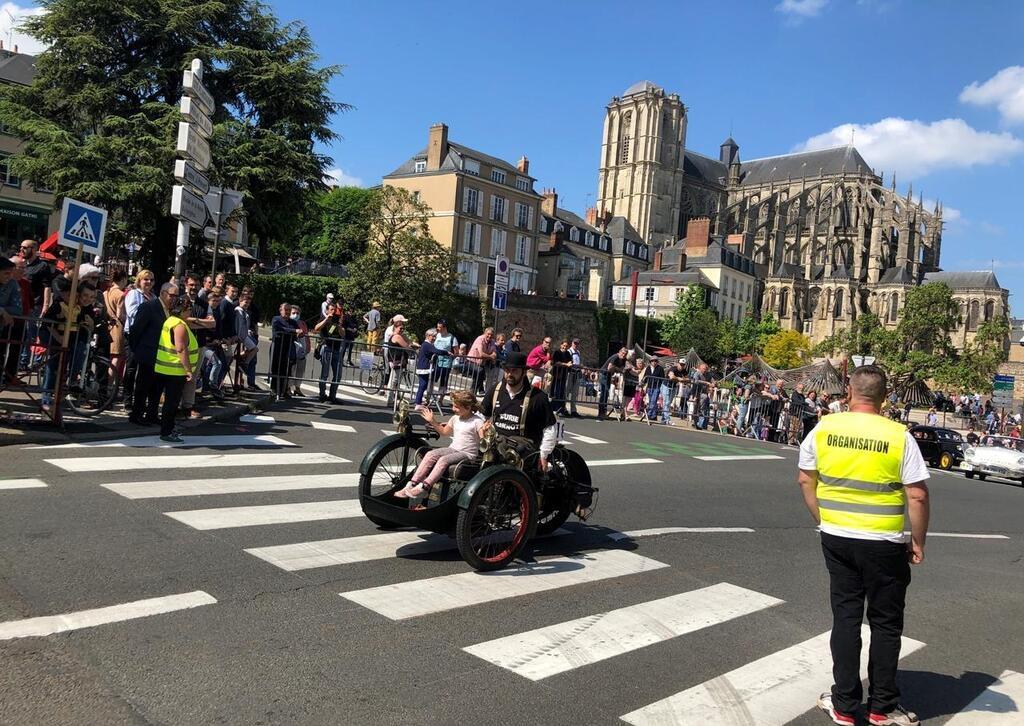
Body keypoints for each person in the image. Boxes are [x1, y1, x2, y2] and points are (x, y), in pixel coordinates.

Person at [798, 365, 929, 726]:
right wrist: (917, 540)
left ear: (849, 394)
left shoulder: (825, 428)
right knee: (885, 624)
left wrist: (822, 519)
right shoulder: (899, 436)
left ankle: (843, 705)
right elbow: (916, 495)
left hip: (837, 536)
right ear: (884, 398)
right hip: (884, 541)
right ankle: (881, 707)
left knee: (846, 618)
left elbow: (804, 479)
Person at [397, 390, 485, 500]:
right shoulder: (455, 418)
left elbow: (483, 440)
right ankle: (412, 484)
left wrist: (485, 431)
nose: (453, 409)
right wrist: (433, 421)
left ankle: (424, 488)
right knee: (430, 454)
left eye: (457, 407)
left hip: (468, 454)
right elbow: (444, 432)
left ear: (468, 407)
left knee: (443, 460)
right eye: (453, 405)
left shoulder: (477, 421)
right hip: (453, 448)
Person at [39, 282, 97, 410]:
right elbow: (48, 323)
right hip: (54, 336)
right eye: (84, 296)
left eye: (92, 297)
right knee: (53, 363)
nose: (87, 299)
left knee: (77, 353)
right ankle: (47, 398)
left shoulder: (85, 308)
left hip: (72, 339)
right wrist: (58, 336)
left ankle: (69, 382)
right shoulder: (59, 304)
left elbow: (90, 327)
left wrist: (91, 323)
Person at [153, 294, 200, 443]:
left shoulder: (170, 321)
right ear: (183, 310)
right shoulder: (179, 325)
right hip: (175, 370)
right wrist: (188, 370)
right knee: (171, 404)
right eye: (189, 309)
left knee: (165, 402)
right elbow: (180, 348)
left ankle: (166, 429)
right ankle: (167, 432)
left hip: (163, 367)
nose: (190, 312)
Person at [128, 281, 174, 425]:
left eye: (176, 296)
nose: (174, 299)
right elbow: (136, 330)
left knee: (157, 388)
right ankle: (137, 414)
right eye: (172, 295)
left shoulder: (170, 310)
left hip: (162, 356)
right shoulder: (149, 307)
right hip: (147, 353)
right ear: (163, 293)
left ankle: (152, 414)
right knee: (143, 387)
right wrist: (137, 349)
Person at [314, 302, 345, 403]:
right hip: (326, 348)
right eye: (331, 309)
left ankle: (332, 396)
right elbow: (316, 328)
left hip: (336, 350)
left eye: (334, 310)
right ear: (327, 310)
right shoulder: (324, 319)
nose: (333, 312)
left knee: (337, 375)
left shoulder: (338, 320)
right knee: (325, 374)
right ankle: (322, 395)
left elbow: (343, 334)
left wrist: (338, 324)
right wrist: (327, 319)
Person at [269, 302, 299, 398]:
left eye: (289, 310)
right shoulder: (276, 319)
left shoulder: (293, 322)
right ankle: (274, 390)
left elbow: (298, 333)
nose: (287, 312)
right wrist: (294, 331)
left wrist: (299, 333)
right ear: (280, 310)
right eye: (285, 310)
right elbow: (279, 329)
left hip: (288, 347)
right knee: (275, 368)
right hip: (277, 346)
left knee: (286, 369)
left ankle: (283, 390)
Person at [0, 258, 22, 382]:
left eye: (11, 273)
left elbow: (18, 309)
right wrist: (1, 311)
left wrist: (4, 311)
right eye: (6, 273)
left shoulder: (13, 284)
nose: (9, 276)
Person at [385, 318, 414, 407]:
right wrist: (412, 348)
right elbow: (406, 346)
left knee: (393, 380)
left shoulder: (398, 335)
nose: (402, 330)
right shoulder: (397, 336)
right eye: (400, 328)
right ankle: (390, 401)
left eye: (403, 328)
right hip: (397, 360)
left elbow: (408, 342)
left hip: (396, 360)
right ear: (395, 327)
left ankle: (391, 400)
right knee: (394, 381)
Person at [598, 347, 628, 420]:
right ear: (619, 352)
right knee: (604, 394)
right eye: (622, 353)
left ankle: (603, 412)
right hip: (604, 374)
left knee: (606, 394)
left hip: (609, 375)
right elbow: (609, 368)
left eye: (625, 354)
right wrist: (617, 369)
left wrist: (617, 369)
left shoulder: (623, 359)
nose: (623, 355)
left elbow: (623, 369)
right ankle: (601, 413)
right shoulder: (615, 357)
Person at [433, 318, 458, 406]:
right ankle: (429, 397)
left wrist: (452, 356)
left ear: (444, 328)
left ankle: (440, 399)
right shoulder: (436, 335)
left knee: (443, 381)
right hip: (435, 361)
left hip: (446, 363)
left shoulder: (452, 338)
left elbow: (456, 352)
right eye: (437, 327)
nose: (438, 329)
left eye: (439, 327)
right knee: (431, 379)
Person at [413, 327, 441, 405]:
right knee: (422, 385)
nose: (434, 338)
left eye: (435, 336)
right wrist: (447, 352)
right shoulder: (426, 345)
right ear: (428, 336)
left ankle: (418, 402)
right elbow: (437, 351)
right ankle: (417, 403)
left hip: (425, 367)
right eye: (433, 336)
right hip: (424, 367)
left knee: (424, 385)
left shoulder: (429, 344)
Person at [468, 327, 498, 395]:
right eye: (488, 334)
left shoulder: (492, 341)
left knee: (478, 376)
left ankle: (473, 393)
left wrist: (491, 355)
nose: (489, 336)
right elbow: (481, 354)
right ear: (485, 333)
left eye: (491, 335)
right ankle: (477, 391)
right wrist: (490, 357)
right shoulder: (480, 339)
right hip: (472, 361)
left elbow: (495, 353)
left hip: (481, 363)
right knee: (480, 371)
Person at [289, 304, 310, 397]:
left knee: (300, 370)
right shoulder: (288, 322)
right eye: (293, 313)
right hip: (292, 349)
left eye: (297, 313)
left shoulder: (303, 323)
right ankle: (288, 387)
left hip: (302, 350)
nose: (295, 315)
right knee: (291, 370)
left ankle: (297, 388)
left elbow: (306, 336)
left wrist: (308, 347)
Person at [550, 339, 573, 415]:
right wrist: (566, 364)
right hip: (557, 375)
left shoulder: (567, 353)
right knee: (556, 392)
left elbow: (570, 361)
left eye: (566, 346)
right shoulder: (557, 352)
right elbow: (556, 362)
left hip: (564, 375)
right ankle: (554, 408)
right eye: (564, 345)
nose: (565, 347)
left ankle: (561, 409)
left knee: (561, 392)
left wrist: (570, 363)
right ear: (561, 345)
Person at [566, 339, 583, 418]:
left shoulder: (578, 352)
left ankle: (573, 410)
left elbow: (578, 362)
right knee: (566, 391)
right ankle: (564, 408)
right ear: (572, 343)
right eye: (575, 343)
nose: (576, 345)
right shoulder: (569, 351)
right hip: (570, 373)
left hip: (576, 373)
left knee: (574, 393)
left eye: (577, 343)